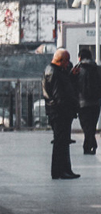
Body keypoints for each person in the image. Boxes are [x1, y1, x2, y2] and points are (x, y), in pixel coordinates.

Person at [45, 48, 82, 179]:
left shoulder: (55, 71)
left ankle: (65, 169)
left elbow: (64, 86)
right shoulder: (55, 73)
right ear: (61, 61)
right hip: (60, 112)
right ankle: (59, 171)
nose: (68, 64)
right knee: (60, 143)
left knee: (63, 142)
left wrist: (71, 76)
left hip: (58, 111)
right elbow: (59, 94)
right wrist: (68, 108)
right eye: (67, 61)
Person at [77, 47, 101, 155]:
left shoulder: (77, 69)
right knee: (92, 125)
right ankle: (89, 145)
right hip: (96, 102)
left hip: (82, 103)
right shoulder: (97, 69)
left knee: (86, 126)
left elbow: (73, 85)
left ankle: (89, 146)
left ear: (80, 57)